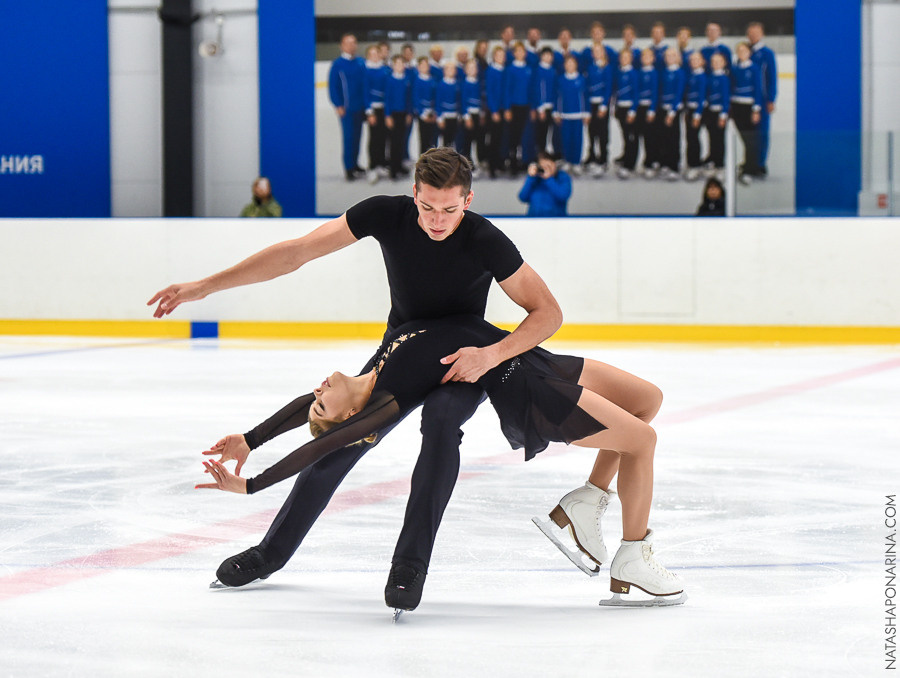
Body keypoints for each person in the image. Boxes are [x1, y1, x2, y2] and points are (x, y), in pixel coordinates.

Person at [147, 147, 564, 614]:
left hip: (459, 362)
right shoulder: (385, 214)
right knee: (341, 443)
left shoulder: (486, 239)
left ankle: (409, 565)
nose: (437, 221)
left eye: (449, 209)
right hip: (402, 353)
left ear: (468, 200)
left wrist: (491, 355)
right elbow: (296, 253)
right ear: (414, 194)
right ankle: (270, 554)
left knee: (442, 424)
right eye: (427, 207)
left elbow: (548, 313)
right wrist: (205, 287)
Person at [197, 313, 685, 608]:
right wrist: (254, 485)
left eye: (316, 401)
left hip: (535, 357)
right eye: (324, 405)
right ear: (350, 416)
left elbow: (310, 405)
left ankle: (587, 501)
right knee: (641, 441)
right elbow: (319, 447)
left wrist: (252, 436)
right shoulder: (385, 402)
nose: (318, 392)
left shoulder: (376, 365)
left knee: (648, 399)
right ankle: (632, 554)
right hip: (525, 387)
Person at [328, 33, 366, 181]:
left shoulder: (361, 63)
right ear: (341, 46)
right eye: (348, 43)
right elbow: (333, 87)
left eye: (354, 43)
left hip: (360, 108)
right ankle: (349, 168)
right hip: (347, 109)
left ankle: (355, 164)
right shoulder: (337, 65)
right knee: (349, 138)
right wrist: (338, 105)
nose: (352, 46)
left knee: (358, 137)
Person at [730, 41, 764, 184]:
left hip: (748, 107)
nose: (741, 53)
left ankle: (750, 169)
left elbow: (758, 89)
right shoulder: (734, 68)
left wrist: (756, 109)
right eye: (739, 51)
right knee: (744, 138)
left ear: (749, 53)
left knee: (751, 139)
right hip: (736, 107)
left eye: (744, 51)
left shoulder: (754, 69)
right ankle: (748, 163)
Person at [747, 22, 777, 176]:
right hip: (747, 100)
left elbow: (772, 78)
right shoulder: (746, 51)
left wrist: (771, 99)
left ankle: (760, 163)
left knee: (762, 132)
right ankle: (750, 161)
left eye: (756, 33)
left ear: (762, 34)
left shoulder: (767, 53)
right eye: (750, 33)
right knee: (750, 133)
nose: (753, 36)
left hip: (763, 99)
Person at [554, 55, 587, 175]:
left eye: (572, 63)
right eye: (568, 63)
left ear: (576, 65)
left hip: (578, 115)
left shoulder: (581, 79)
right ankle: (567, 161)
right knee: (566, 139)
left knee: (577, 139)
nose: (570, 66)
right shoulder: (561, 79)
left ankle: (576, 162)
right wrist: (556, 112)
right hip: (565, 115)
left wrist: (586, 113)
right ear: (564, 65)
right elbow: (557, 97)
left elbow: (585, 97)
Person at [585, 43, 614, 176]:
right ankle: (592, 156)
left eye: (599, 51)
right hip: (591, 104)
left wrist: (604, 105)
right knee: (591, 131)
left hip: (602, 105)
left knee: (603, 132)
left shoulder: (607, 68)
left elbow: (608, 88)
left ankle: (603, 158)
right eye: (595, 51)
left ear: (603, 53)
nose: (597, 53)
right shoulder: (590, 67)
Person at [505, 42, 533, 177]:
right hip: (514, 106)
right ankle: (513, 162)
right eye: (518, 51)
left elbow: (531, 89)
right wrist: (507, 108)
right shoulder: (510, 69)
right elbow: (508, 90)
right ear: (514, 53)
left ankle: (524, 161)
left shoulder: (528, 69)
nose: (520, 53)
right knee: (514, 135)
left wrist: (532, 107)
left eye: (523, 51)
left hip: (526, 106)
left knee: (525, 135)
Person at [364, 45, 390, 184]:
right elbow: (365, 92)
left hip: (384, 109)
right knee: (374, 138)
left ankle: (380, 164)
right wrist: (369, 112)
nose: (374, 56)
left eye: (376, 54)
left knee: (383, 137)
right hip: (373, 110)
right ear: (368, 56)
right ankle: (372, 167)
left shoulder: (385, 70)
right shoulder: (367, 71)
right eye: (371, 54)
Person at [659, 47, 686, 181]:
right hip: (663, 108)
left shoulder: (680, 73)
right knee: (663, 137)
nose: (669, 58)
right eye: (667, 56)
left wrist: (672, 112)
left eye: (672, 56)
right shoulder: (663, 72)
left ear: (677, 58)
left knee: (674, 137)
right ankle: (665, 162)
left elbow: (679, 93)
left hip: (673, 110)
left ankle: (675, 165)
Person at [384, 55, 413, 180]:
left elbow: (409, 98)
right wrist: (387, 115)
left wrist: (409, 113)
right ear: (393, 65)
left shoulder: (406, 79)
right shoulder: (390, 80)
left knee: (402, 141)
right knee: (394, 142)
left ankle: (400, 165)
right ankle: (393, 168)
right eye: (397, 64)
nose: (400, 66)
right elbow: (387, 99)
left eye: (402, 64)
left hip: (404, 114)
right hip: (393, 114)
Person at [517, 151, 572, 216]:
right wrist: (530, 178)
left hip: (556, 221)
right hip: (534, 220)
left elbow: (563, 196)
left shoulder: (563, 177)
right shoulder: (535, 179)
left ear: (554, 164)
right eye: (543, 167)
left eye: (549, 166)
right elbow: (522, 197)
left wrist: (549, 179)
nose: (547, 169)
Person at [613, 48, 639, 179]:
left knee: (631, 137)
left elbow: (636, 94)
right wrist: (616, 107)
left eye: (627, 57)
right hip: (621, 108)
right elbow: (617, 91)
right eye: (622, 57)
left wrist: (633, 111)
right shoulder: (619, 72)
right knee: (624, 135)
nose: (624, 60)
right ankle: (625, 156)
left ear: (631, 59)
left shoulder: (633, 73)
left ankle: (630, 164)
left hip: (630, 109)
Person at [703, 52, 730, 175]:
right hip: (710, 111)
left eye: (718, 62)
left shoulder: (724, 78)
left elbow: (725, 98)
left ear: (724, 63)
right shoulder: (710, 77)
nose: (715, 64)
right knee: (711, 136)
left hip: (719, 112)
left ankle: (720, 163)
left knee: (719, 138)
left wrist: (723, 115)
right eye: (713, 62)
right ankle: (712, 158)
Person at [485, 46, 509, 178]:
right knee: (493, 138)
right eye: (498, 55)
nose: (501, 57)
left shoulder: (504, 71)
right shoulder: (491, 71)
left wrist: (506, 109)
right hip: (494, 110)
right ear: (494, 56)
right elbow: (490, 93)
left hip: (503, 109)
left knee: (501, 138)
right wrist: (494, 111)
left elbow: (506, 92)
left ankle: (499, 162)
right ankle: (492, 166)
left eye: (502, 55)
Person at [635, 48, 660, 179]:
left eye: (649, 56)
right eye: (644, 56)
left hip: (650, 108)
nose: (646, 59)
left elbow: (655, 93)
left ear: (653, 59)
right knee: (642, 136)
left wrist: (652, 110)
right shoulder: (639, 73)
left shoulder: (654, 73)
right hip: (640, 107)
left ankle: (651, 163)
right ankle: (645, 161)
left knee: (651, 137)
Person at [683, 52, 708, 181]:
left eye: (697, 59)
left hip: (698, 111)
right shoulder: (691, 75)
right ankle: (690, 162)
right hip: (690, 110)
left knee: (693, 137)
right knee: (689, 137)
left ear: (702, 61)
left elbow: (702, 97)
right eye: (692, 60)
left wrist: (697, 114)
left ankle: (695, 164)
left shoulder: (702, 77)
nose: (693, 62)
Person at [532, 47, 558, 159]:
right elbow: (536, 90)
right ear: (541, 56)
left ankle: (552, 156)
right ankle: (540, 156)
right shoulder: (538, 70)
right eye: (545, 55)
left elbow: (556, 91)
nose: (547, 57)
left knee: (553, 133)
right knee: (541, 134)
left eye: (549, 55)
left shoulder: (553, 71)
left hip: (553, 108)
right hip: (542, 108)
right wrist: (540, 108)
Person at [413, 56, 437, 154]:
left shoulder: (433, 80)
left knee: (433, 140)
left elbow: (436, 97)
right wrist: (422, 114)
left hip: (433, 113)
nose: (424, 67)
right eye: (422, 65)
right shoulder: (417, 81)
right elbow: (415, 98)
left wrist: (435, 112)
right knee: (424, 139)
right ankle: (423, 164)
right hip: (423, 114)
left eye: (426, 65)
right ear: (418, 67)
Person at [436, 61, 461, 149]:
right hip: (445, 117)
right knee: (445, 142)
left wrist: (459, 115)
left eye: (453, 69)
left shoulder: (457, 84)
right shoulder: (441, 85)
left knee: (454, 141)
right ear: (444, 71)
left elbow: (459, 101)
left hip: (455, 117)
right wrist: (440, 118)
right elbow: (438, 102)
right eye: (448, 69)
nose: (451, 71)